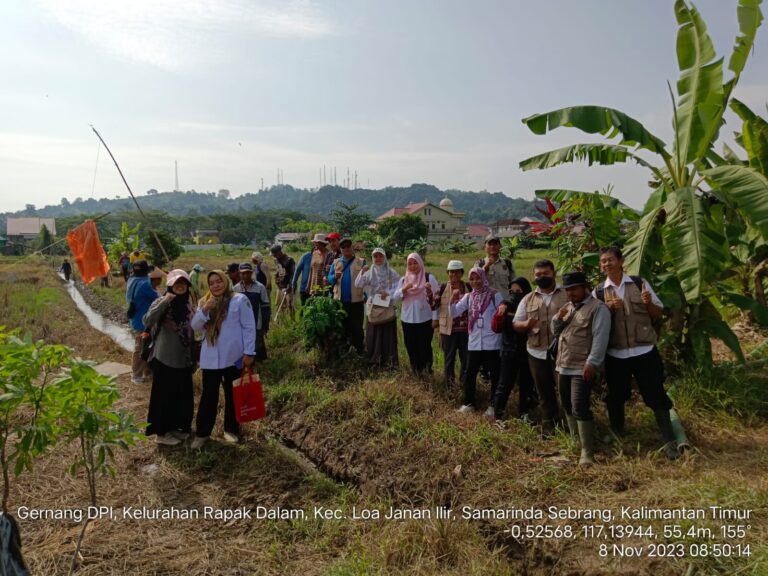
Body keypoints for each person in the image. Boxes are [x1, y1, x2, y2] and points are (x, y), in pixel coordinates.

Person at [594, 246, 679, 460]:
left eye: (611, 260)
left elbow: (658, 314)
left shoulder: (639, 284)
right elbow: (594, 324)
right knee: (615, 396)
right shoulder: (598, 292)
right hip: (616, 354)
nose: (607, 264)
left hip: (644, 351)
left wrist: (649, 303)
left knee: (656, 394)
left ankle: (669, 440)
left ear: (621, 261)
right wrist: (607, 308)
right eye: (603, 261)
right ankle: (617, 432)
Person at [191, 270, 256, 448]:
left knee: (233, 394)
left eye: (219, 281)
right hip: (210, 359)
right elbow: (196, 327)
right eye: (211, 283)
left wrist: (249, 353)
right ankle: (203, 433)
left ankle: (231, 430)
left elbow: (249, 327)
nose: (215, 285)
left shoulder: (239, 300)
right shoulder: (204, 302)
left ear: (225, 281)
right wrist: (205, 309)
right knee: (208, 397)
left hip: (233, 357)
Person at [551, 272, 610, 465]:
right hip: (563, 364)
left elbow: (600, 337)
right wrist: (557, 320)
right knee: (566, 404)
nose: (570, 293)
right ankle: (575, 441)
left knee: (579, 406)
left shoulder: (597, 308)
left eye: (574, 289)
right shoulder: (568, 307)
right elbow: (556, 332)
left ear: (584, 287)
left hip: (581, 365)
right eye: (567, 290)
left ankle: (587, 451)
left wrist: (593, 362)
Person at [513, 259, 568, 435]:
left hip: (563, 353)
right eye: (538, 275)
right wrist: (526, 325)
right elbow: (516, 323)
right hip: (536, 352)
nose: (542, 277)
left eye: (545, 274)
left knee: (566, 392)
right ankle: (549, 427)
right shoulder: (528, 299)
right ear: (533, 277)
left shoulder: (567, 294)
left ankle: (570, 427)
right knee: (544, 393)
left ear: (554, 273)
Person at [142, 270, 196, 446]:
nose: (180, 286)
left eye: (183, 283)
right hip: (164, 358)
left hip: (183, 359)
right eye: (176, 283)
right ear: (169, 285)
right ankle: (161, 433)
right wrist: (164, 301)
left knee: (180, 396)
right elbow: (147, 321)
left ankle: (176, 428)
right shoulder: (162, 301)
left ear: (187, 286)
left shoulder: (188, 305)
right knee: (163, 396)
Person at [451, 267, 504, 415]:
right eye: (472, 279)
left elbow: (502, 309)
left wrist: (503, 309)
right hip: (474, 342)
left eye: (478, 278)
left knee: (494, 374)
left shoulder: (494, 294)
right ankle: (469, 403)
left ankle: (493, 406)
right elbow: (454, 312)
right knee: (470, 373)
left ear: (483, 277)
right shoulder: (469, 297)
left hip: (491, 342)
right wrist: (452, 300)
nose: (475, 282)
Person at [491, 277, 535, 427]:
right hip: (509, 350)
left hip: (528, 351)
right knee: (504, 383)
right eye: (512, 291)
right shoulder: (506, 306)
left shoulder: (533, 305)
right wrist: (499, 314)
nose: (515, 294)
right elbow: (496, 328)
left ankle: (525, 413)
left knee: (527, 384)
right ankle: (498, 416)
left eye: (519, 291)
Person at [394, 253, 438, 375]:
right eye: (410, 263)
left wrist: (435, 318)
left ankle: (427, 370)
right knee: (410, 345)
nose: (412, 266)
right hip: (407, 319)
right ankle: (415, 370)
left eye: (415, 263)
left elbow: (437, 300)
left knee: (424, 346)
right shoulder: (404, 280)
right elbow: (395, 298)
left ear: (420, 263)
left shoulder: (429, 278)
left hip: (425, 319)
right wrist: (404, 289)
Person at [355, 247, 400, 367]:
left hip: (387, 308)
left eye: (380, 256)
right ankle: (374, 360)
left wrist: (389, 293)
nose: (378, 259)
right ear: (372, 258)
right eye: (376, 256)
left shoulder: (391, 272)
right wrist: (362, 272)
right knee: (373, 334)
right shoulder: (369, 273)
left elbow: (398, 286)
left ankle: (389, 361)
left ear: (384, 257)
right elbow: (358, 284)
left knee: (387, 335)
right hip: (373, 308)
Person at [432, 260, 470, 388]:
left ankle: (465, 385)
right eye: (451, 272)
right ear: (448, 273)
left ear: (462, 273)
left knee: (466, 360)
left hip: (466, 331)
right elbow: (434, 305)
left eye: (457, 271)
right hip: (448, 331)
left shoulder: (468, 287)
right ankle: (449, 386)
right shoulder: (442, 287)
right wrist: (428, 295)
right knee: (449, 360)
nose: (454, 274)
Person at [327, 238, 366, 353]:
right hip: (340, 302)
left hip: (357, 301)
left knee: (357, 328)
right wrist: (334, 277)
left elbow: (368, 281)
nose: (346, 248)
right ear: (340, 249)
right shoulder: (336, 262)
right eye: (343, 247)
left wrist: (368, 297)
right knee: (342, 327)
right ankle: (344, 351)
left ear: (352, 247)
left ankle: (359, 351)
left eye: (348, 246)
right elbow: (329, 278)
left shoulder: (361, 262)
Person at [126, 260, 159, 384]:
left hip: (135, 318)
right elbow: (158, 298)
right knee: (142, 347)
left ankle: (146, 371)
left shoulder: (131, 280)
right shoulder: (145, 284)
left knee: (145, 345)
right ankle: (136, 374)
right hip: (143, 320)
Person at [233, 262, 270, 361]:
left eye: (248, 273)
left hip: (256, 324)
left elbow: (266, 307)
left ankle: (258, 370)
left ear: (252, 273)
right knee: (242, 348)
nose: (246, 275)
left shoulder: (260, 287)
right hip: (240, 325)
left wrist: (265, 325)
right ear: (240, 274)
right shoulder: (235, 289)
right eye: (243, 273)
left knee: (257, 348)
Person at [271, 244, 295, 321]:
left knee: (290, 305)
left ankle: (292, 322)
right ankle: (281, 322)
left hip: (289, 287)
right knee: (279, 306)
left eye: (274, 254)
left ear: (279, 252)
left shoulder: (289, 260)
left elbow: (293, 274)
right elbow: (278, 271)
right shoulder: (276, 260)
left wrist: (290, 285)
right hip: (280, 286)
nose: (274, 256)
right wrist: (276, 280)